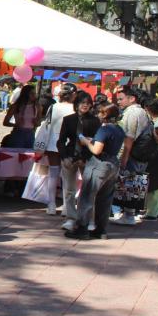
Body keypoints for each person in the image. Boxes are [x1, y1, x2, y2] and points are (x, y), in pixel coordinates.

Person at [66, 103, 124, 240]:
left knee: (86, 196)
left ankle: (82, 228)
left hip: (99, 164)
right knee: (105, 198)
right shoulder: (119, 129)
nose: (97, 115)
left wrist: (86, 141)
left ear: (105, 115)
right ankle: (101, 229)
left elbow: (96, 150)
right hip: (113, 163)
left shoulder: (104, 130)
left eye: (100, 113)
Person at [56, 91, 100, 231]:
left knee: (88, 190)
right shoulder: (69, 119)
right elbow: (61, 140)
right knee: (69, 190)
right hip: (70, 156)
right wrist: (64, 156)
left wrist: (87, 154)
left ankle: (89, 219)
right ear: (76, 104)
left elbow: (98, 141)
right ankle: (70, 218)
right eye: (82, 103)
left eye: (87, 103)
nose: (85, 106)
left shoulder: (95, 120)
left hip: (87, 157)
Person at [113, 86, 151, 226]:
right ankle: (129, 214)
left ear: (132, 98)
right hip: (139, 154)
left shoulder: (133, 113)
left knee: (129, 183)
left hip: (132, 155)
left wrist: (124, 158)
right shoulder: (141, 112)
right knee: (134, 184)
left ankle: (128, 215)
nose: (119, 102)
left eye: (121, 99)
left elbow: (129, 138)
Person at [42, 83, 77, 215]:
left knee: (53, 174)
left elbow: (47, 124)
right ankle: (66, 206)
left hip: (52, 142)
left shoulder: (53, 107)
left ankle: (51, 204)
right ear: (73, 94)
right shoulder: (74, 108)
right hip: (68, 143)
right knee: (67, 176)